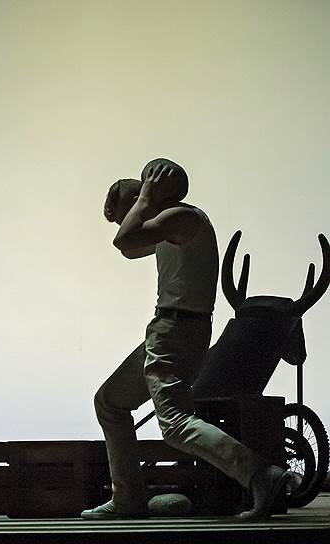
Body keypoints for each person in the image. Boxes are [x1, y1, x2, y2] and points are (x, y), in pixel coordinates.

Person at [83, 159, 299, 520]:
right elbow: (131, 246)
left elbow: (125, 240)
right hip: (171, 329)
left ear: (145, 195)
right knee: (110, 402)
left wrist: (145, 196)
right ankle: (128, 499)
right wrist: (141, 204)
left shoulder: (180, 218)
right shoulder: (172, 224)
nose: (126, 220)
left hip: (175, 331)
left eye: (127, 211)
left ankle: (261, 474)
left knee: (175, 423)